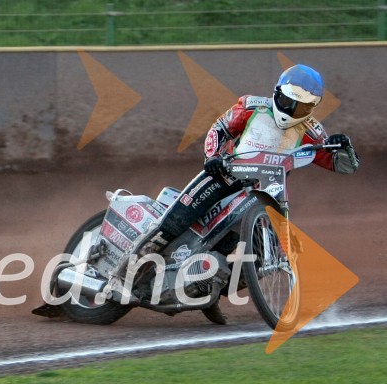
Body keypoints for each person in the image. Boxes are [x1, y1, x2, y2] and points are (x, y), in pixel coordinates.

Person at [106, 64, 360, 294]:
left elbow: (344, 165)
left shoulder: (312, 132)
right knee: (172, 224)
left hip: (267, 195)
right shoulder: (252, 107)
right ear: (277, 92)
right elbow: (219, 128)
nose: (292, 111)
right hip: (225, 177)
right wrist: (213, 157)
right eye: (288, 101)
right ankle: (119, 277)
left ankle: (209, 291)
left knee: (264, 258)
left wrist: (343, 147)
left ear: (312, 108)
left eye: (301, 107)